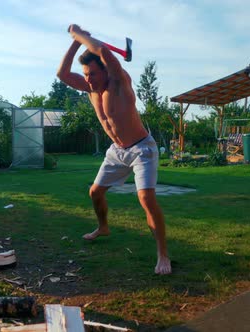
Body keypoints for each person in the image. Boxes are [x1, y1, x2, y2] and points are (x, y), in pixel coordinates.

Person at [57, 24, 171, 275]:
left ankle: (163, 254)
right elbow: (62, 74)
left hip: (142, 149)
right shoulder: (90, 89)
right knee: (95, 192)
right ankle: (103, 227)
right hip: (117, 150)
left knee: (146, 198)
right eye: (85, 74)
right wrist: (76, 42)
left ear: (106, 71)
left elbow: (103, 51)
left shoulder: (119, 81)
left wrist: (80, 35)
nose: (88, 79)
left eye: (93, 74)